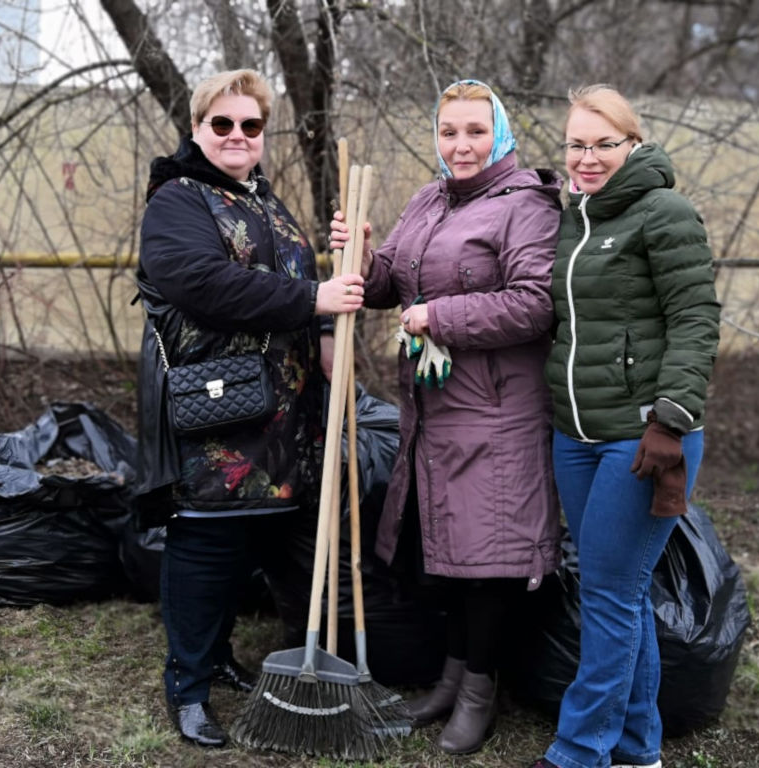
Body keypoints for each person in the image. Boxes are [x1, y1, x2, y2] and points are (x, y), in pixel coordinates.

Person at [330, 79, 564, 755]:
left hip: (496, 413)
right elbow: (384, 289)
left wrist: (441, 316)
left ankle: (480, 696)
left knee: (489, 562)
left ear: (503, 134)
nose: (460, 145)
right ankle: (451, 679)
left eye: (475, 130)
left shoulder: (526, 206)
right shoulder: (428, 198)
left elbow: (534, 304)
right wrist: (361, 252)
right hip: (433, 410)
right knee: (452, 556)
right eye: (449, 131)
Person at [132, 69, 364, 749]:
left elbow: (305, 282)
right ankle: (188, 686)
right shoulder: (177, 200)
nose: (237, 136)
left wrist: (323, 334)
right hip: (218, 409)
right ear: (198, 129)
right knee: (205, 540)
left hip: (283, 406)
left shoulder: (266, 201)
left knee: (247, 543)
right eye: (222, 124)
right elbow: (204, 284)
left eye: (251, 126)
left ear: (264, 133)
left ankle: (219, 655)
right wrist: (312, 302)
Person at [529, 85, 721, 768]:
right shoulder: (573, 217)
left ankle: (579, 751)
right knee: (620, 594)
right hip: (575, 436)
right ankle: (639, 748)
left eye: (603, 144)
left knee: (609, 595)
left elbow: (695, 321)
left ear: (632, 144)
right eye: (577, 144)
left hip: (643, 439)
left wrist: (671, 418)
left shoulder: (665, 212)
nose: (587, 157)